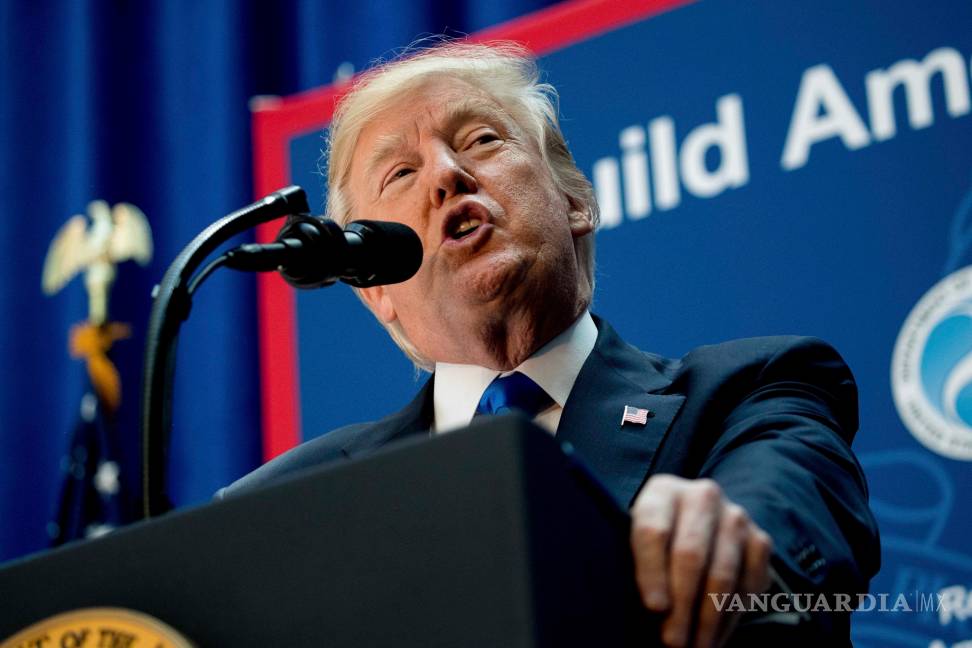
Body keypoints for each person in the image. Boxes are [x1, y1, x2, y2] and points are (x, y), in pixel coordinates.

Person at [221, 42, 879, 647]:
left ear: (573, 202)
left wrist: (730, 539)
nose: (446, 175)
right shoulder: (283, 506)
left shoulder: (753, 389)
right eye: (400, 173)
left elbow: (787, 526)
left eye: (480, 139)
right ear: (376, 291)